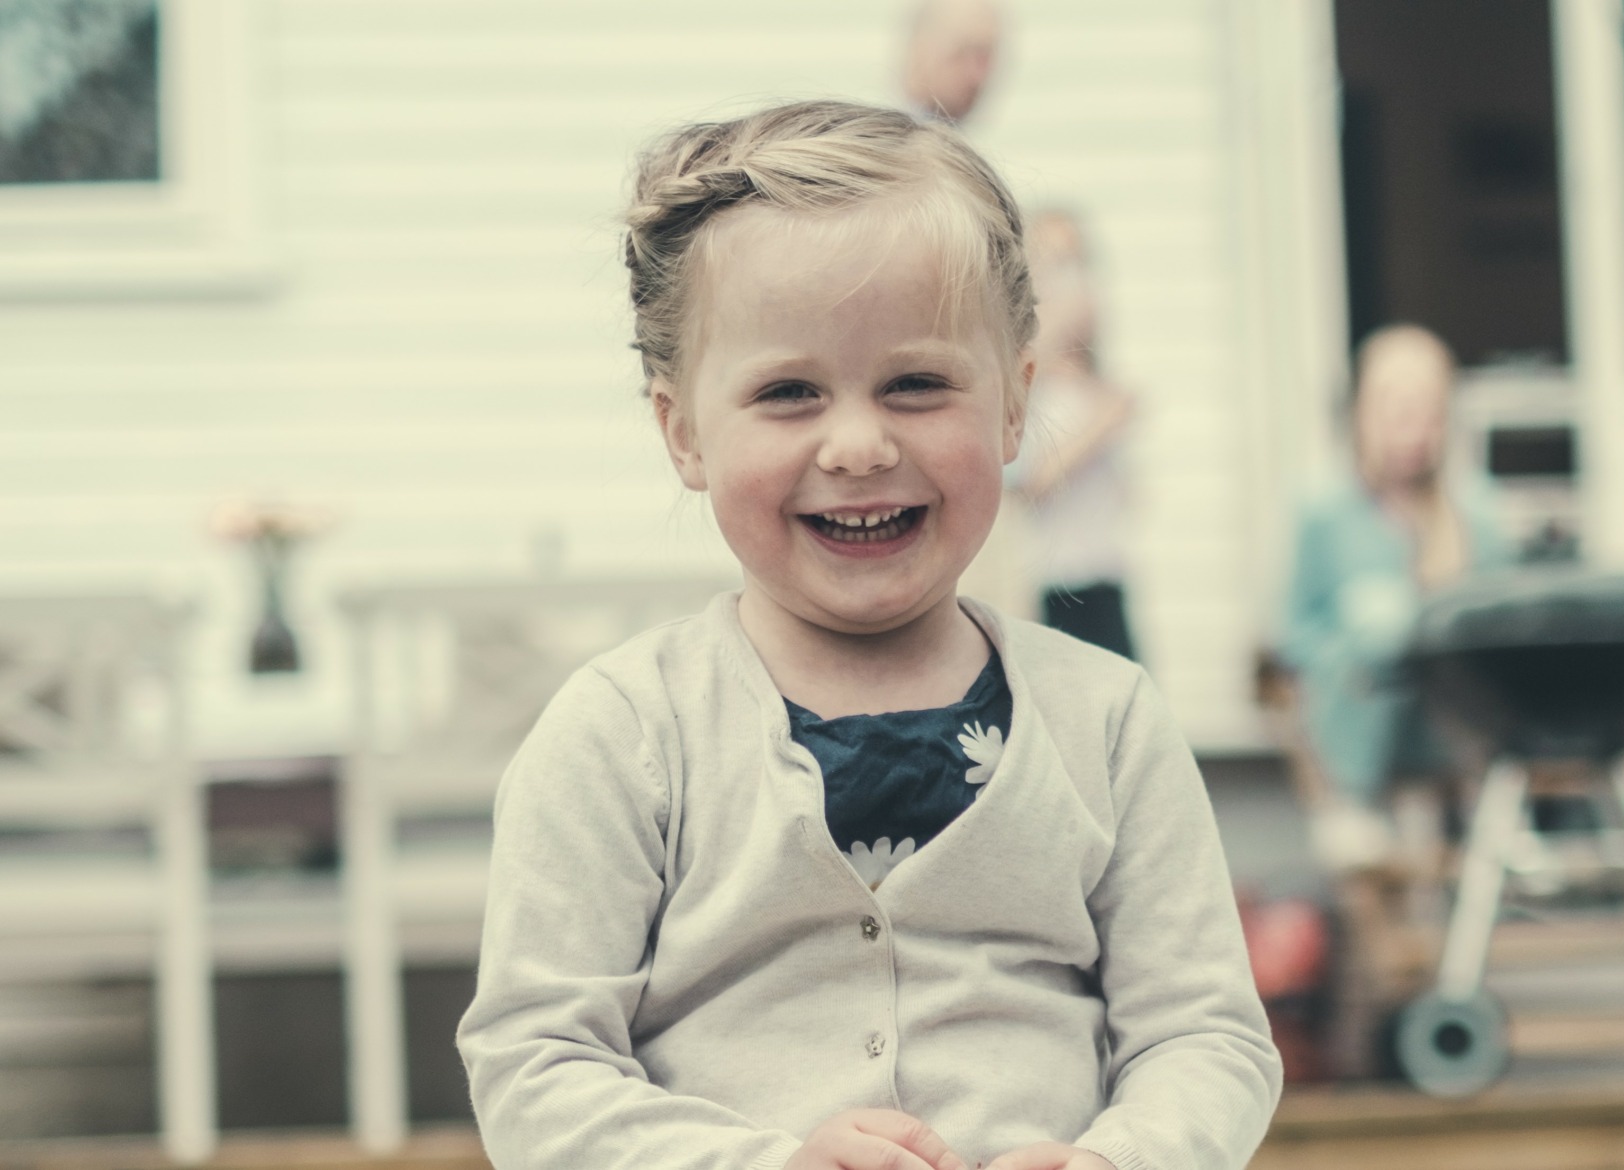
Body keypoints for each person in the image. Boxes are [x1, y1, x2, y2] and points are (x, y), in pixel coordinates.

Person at [456, 101, 1281, 1170]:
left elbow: (1203, 1033)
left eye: (917, 384)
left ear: (1012, 407)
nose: (856, 443)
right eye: (788, 392)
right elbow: (536, 1062)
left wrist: (1118, 1158)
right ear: (683, 431)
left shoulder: (1108, 722)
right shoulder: (625, 735)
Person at [1277, 325, 1512, 829]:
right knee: (1378, 618)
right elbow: (1296, 637)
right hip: (1357, 722)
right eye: (1397, 411)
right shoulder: (1325, 514)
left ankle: (1486, 819)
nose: (1413, 430)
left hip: (1450, 727)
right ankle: (1355, 811)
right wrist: (1360, 646)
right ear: (1361, 414)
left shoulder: (1477, 513)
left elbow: (1501, 627)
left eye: (1427, 412)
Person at [1012, 208, 1140, 660]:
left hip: (1106, 574)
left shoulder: (1093, 386)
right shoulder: (1028, 386)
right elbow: (1030, 482)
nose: (1074, 283)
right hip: (1057, 585)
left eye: (1079, 263)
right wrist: (1103, 426)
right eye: (1057, 265)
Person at [901, 0, 1004, 125]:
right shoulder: (881, 135)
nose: (977, 77)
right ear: (921, 50)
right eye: (962, 53)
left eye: (985, 58)